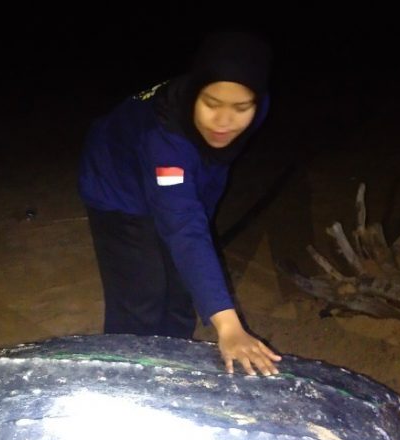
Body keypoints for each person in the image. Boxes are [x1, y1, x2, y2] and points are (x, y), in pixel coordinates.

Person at [78, 30, 283, 376]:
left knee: (180, 294)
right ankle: (125, 381)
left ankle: (170, 372)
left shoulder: (256, 107)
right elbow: (182, 224)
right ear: (193, 96)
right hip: (118, 183)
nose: (224, 122)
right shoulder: (164, 138)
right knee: (141, 296)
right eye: (212, 104)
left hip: (178, 180)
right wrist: (229, 325)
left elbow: (203, 187)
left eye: (240, 108)